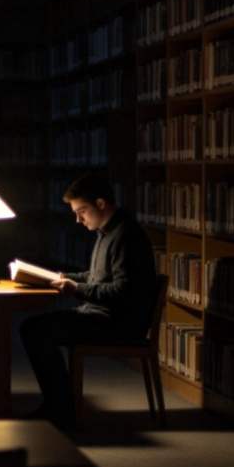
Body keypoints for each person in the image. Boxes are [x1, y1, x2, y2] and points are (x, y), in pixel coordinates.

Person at [18, 173, 157, 429]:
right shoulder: (108, 231)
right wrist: (62, 277)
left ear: (101, 204)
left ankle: (59, 409)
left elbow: (122, 290)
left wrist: (77, 289)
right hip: (101, 314)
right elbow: (96, 277)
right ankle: (60, 405)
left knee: (33, 330)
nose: (78, 219)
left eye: (82, 211)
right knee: (34, 328)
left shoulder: (125, 235)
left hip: (117, 322)